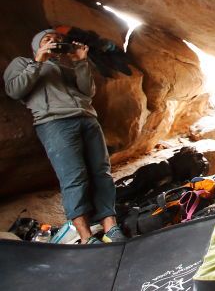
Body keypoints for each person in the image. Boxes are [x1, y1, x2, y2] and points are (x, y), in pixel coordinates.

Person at [3, 29, 126, 244]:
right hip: (54, 123)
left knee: (101, 172)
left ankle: (110, 228)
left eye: (58, 40)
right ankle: (86, 236)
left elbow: (87, 91)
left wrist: (80, 61)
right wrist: (39, 60)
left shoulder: (66, 66)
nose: (54, 42)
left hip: (87, 119)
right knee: (74, 177)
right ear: (36, 45)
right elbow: (14, 90)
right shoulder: (22, 63)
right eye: (47, 39)